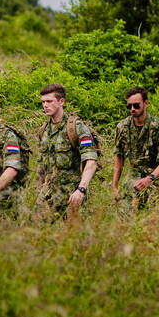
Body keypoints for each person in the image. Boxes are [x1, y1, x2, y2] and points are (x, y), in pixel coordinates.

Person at [35, 83, 98, 220]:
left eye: (49, 101)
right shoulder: (44, 130)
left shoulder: (76, 127)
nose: (45, 105)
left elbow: (91, 162)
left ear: (61, 101)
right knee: (35, 232)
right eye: (43, 102)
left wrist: (81, 190)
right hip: (48, 195)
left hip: (72, 195)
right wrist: (39, 189)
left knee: (73, 237)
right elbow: (41, 165)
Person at [111, 86, 159, 212]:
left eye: (136, 105)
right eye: (129, 106)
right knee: (125, 219)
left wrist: (149, 179)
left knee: (154, 220)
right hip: (132, 181)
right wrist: (114, 186)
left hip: (156, 180)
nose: (132, 109)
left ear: (146, 103)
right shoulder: (122, 127)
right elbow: (119, 158)